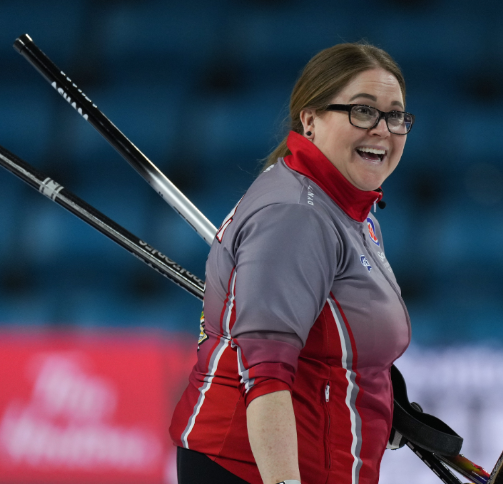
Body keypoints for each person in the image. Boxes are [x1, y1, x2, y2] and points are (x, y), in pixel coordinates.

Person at [169, 42, 413, 484]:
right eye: (362, 111)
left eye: (395, 115)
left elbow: (328, 335)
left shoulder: (348, 208)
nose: (382, 128)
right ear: (310, 120)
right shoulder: (297, 215)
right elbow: (265, 375)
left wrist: (372, 384)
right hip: (252, 469)